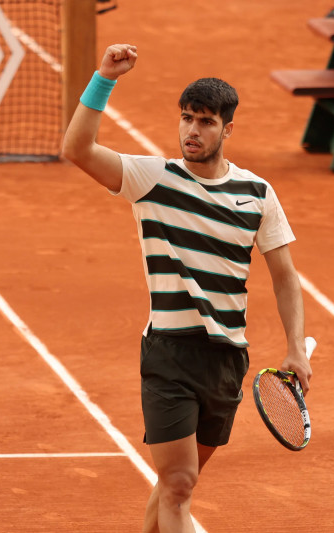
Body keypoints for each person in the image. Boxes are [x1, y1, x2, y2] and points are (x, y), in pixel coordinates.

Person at [62, 43, 311, 533]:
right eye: (186, 119)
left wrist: (295, 347)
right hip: (170, 355)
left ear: (227, 129)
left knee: (174, 486)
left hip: (226, 360)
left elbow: (285, 276)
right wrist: (104, 79)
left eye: (205, 122)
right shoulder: (153, 179)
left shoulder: (257, 194)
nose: (191, 131)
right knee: (178, 484)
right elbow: (77, 149)